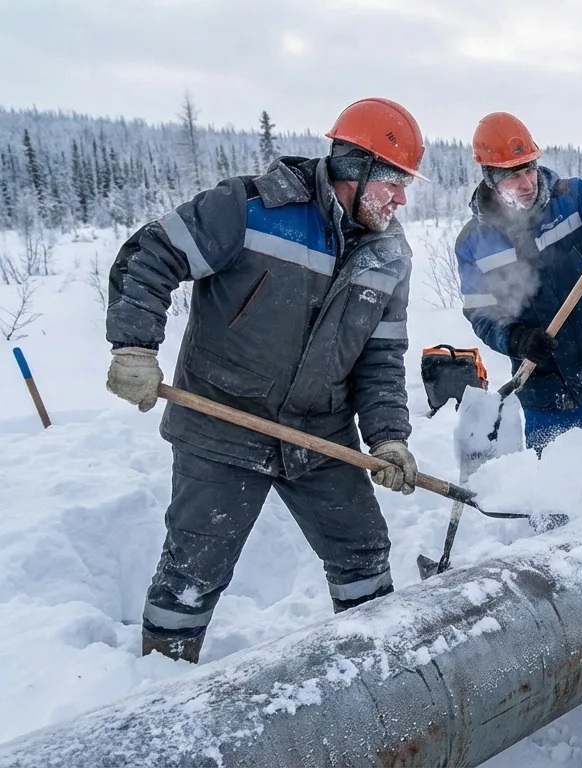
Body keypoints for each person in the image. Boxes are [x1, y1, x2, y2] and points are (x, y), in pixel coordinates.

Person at [104, 97, 427, 663]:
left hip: (318, 432)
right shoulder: (250, 206)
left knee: (363, 551)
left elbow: (382, 360)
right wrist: (134, 345)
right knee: (193, 570)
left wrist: (388, 436)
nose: (401, 198)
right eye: (394, 182)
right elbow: (151, 254)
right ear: (354, 168)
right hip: (220, 422)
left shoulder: (390, 254)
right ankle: (157, 688)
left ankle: (376, 672)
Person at [455, 111, 582, 459]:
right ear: (490, 178)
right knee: (554, 493)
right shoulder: (473, 243)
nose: (526, 183)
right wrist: (517, 339)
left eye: (529, 169)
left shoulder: (571, 198)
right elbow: (482, 314)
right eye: (512, 176)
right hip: (544, 380)